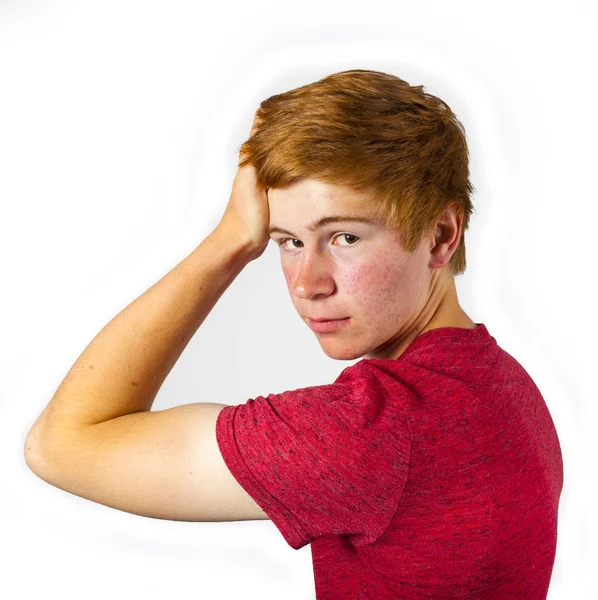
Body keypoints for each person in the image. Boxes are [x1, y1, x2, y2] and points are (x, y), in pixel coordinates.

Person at [25, 69, 564, 599]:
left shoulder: (374, 430)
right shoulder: (501, 382)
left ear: (441, 236)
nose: (308, 283)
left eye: (345, 236)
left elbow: (60, 444)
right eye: (286, 241)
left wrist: (231, 241)